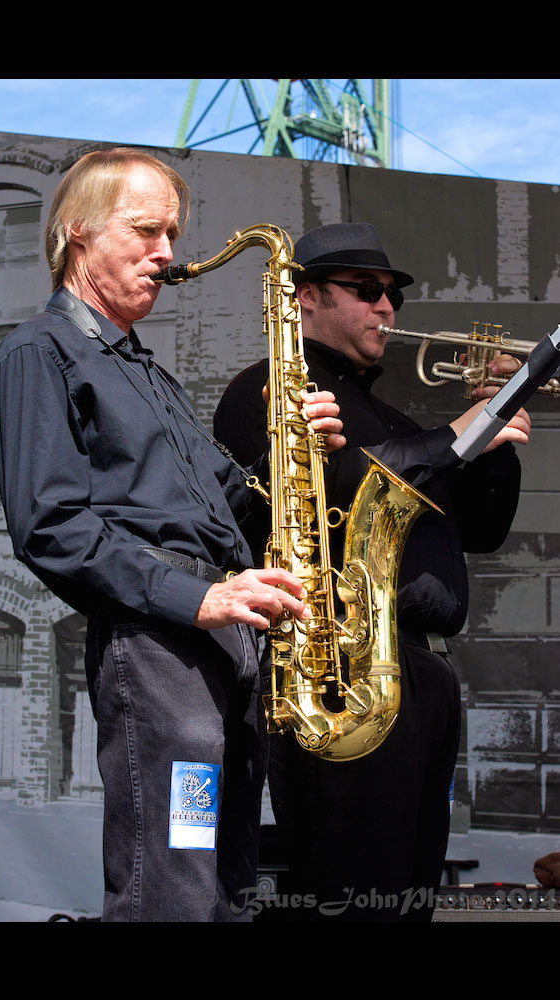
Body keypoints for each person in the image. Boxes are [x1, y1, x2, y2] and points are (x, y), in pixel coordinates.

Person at [0, 148, 345, 923]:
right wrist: (199, 599)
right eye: (146, 230)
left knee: (225, 887)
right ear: (78, 232)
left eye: (172, 233)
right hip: (162, 649)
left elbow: (226, 510)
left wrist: (289, 458)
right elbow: (50, 528)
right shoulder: (37, 352)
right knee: (172, 887)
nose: (168, 252)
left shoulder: (148, 371)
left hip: (223, 641)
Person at [214, 222, 530, 922]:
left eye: (393, 295)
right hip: (342, 669)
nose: (386, 307)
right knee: (357, 892)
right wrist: (456, 436)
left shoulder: (393, 416)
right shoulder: (266, 389)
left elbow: (481, 531)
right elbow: (317, 493)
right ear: (307, 296)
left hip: (421, 672)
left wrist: (496, 435)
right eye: (366, 290)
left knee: (408, 895)